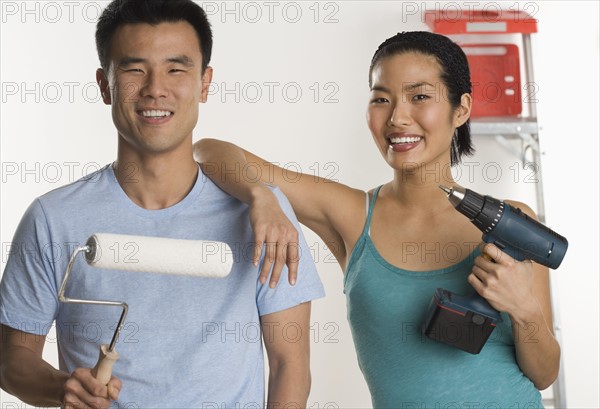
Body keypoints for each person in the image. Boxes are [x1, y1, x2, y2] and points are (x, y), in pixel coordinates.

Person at [194, 31, 560, 407]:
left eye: (419, 96)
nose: (398, 118)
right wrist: (262, 196)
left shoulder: (513, 225)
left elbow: (545, 373)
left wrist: (524, 309)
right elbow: (208, 151)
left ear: (461, 109)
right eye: (381, 99)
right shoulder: (353, 216)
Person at [0, 0, 325, 407]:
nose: (156, 88)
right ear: (105, 85)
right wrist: (59, 387)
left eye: (176, 68)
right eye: (135, 69)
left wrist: (263, 197)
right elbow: (13, 359)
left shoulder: (264, 216)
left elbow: (289, 364)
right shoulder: (53, 218)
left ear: (205, 82)